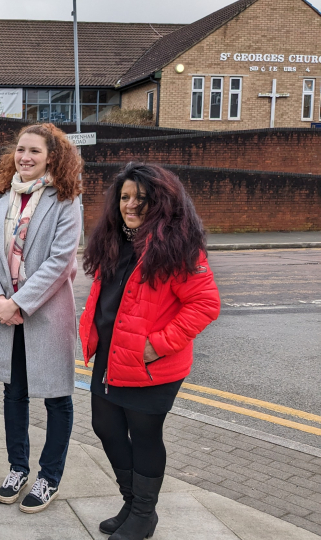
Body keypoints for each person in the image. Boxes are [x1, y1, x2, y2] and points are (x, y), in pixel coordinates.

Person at [80, 163, 220, 539]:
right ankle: (132, 502)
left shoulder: (179, 247)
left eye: (141, 199)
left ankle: (144, 513)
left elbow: (205, 305)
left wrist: (154, 346)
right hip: (111, 356)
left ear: (160, 202)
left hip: (150, 363)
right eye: (125, 197)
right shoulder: (115, 240)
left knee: (144, 435)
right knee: (105, 427)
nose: (130, 205)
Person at [0, 123, 83, 513]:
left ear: (51, 156)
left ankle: (48, 477)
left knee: (56, 398)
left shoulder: (66, 199)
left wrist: (18, 302)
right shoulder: (1, 197)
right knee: (13, 392)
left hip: (45, 315)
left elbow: (60, 262)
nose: (25, 157)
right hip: (4, 314)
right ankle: (17, 468)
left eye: (34, 151)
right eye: (21, 150)